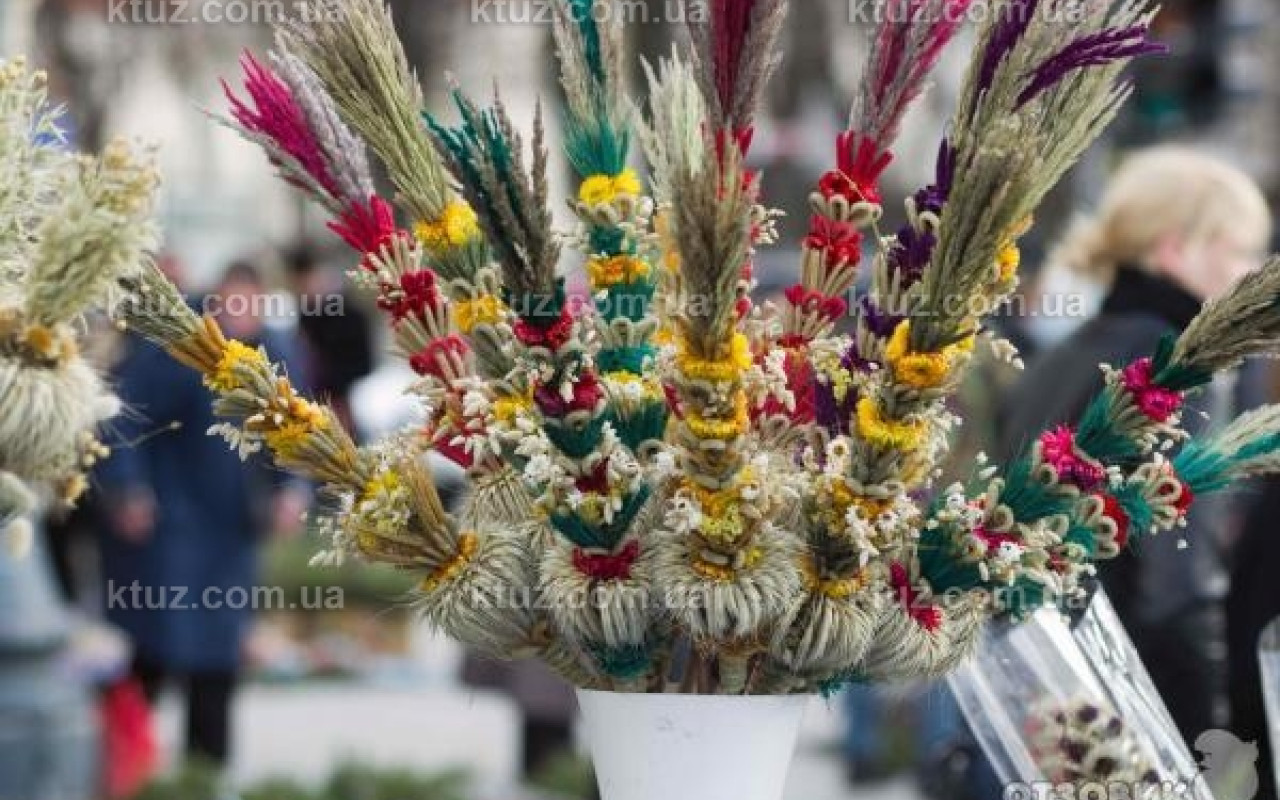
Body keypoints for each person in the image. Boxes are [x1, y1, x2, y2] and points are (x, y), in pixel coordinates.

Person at [1000, 146, 1273, 746]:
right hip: (1140, 702)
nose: (1252, 273)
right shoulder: (1178, 365)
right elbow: (1180, 579)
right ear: (1175, 248)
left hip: (1044, 683)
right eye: (1239, 251)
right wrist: (1215, 739)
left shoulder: (1066, 353)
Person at [97, 260, 308, 765]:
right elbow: (123, 418)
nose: (241, 316)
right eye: (232, 305)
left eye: (250, 306)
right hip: (170, 525)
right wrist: (128, 489)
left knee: (218, 654)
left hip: (231, 532)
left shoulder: (272, 352)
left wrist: (293, 490)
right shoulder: (176, 348)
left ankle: (206, 773)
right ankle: (126, 766)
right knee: (156, 647)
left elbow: (297, 429)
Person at [283, 245, 375, 438]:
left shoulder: (347, 312)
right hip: (318, 400)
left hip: (348, 398)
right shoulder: (307, 313)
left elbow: (363, 362)